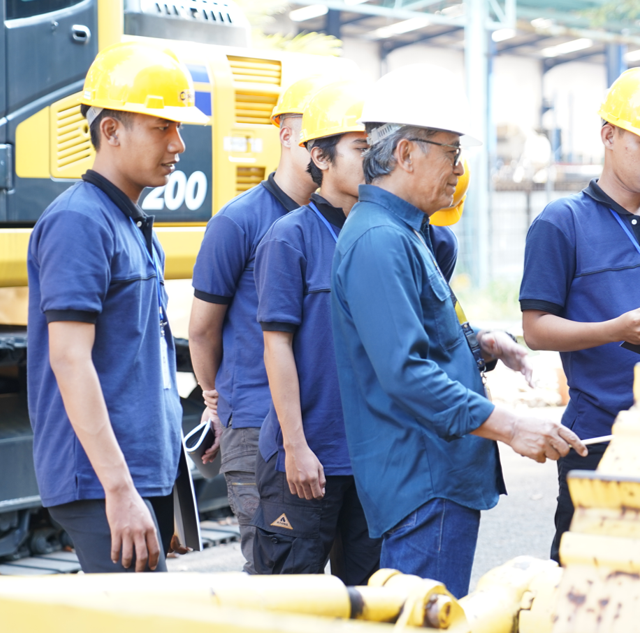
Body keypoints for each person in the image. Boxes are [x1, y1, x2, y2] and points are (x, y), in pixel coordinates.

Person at [332, 64, 583, 597]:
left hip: (436, 472)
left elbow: (422, 338)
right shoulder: (380, 241)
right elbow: (405, 373)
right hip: (424, 478)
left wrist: (479, 345)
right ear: (405, 154)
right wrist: (511, 426)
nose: (458, 167)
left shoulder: (407, 231)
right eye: (450, 151)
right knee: (429, 612)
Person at [26, 41, 208, 573]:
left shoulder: (131, 224)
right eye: (161, 127)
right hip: (103, 480)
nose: (178, 143)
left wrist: (165, 493)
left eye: (179, 128)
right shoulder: (80, 223)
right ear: (111, 131)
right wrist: (120, 491)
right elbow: (70, 359)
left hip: (135, 476)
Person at [519, 67, 640, 563]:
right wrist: (615, 331)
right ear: (607, 135)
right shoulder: (562, 222)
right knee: (582, 571)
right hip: (596, 435)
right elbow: (535, 330)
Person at [189, 73, 332, 572]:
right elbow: (202, 328)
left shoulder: (340, 223)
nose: (320, 144)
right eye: (309, 130)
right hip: (254, 424)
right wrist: (215, 401)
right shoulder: (239, 221)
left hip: (322, 421)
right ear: (285, 135)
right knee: (276, 572)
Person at [249, 81, 388, 584]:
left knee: (369, 604)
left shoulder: (385, 238)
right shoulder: (290, 238)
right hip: (306, 458)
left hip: (373, 461)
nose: (373, 160)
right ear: (320, 156)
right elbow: (277, 346)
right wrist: (296, 446)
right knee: (290, 602)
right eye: (359, 148)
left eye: (378, 147)